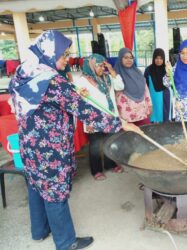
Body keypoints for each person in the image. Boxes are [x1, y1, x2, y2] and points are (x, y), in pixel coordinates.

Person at [8, 30, 140, 250]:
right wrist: (120, 124)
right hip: (50, 146)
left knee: (36, 185)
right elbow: (84, 110)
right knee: (54, 191)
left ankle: (39, 231)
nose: (67, 59)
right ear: (49, 52)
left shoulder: (25, 71)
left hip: (29, 144)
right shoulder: (50, 81)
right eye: (63, 54)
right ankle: (66, 242)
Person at [75, 53, 125, 180]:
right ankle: (96, 170)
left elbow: (120, 86)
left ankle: (110, 164)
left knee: (110, 141)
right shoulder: (83, 80)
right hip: (94, 118)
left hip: (110, 116)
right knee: (95, 145)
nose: (103, 68)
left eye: (104, 65)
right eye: (99, 66)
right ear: (91, 66)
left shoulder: (108, 78)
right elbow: (77, 98)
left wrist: (112, 71)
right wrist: (81, 94)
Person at [113, 48, 152, 126]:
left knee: (144, 133)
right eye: (126, 57)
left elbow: (146, 90)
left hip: (141, 112)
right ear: (120, 58)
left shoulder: (138, 72)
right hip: (125, 115)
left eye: (131, 58)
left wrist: (150, 105)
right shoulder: (115, 74)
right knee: (128, 136)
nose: (129, 60)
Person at [144, 48, 171, 123]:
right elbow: (145, 85)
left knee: (164, 117)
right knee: (153, 117)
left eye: (161, 58)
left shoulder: (167, 69)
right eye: (156, 58)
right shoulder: (148, 70)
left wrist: (169, 72)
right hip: (152, 97)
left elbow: (171, 83)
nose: (158, 60)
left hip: (164, 96)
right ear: (153, 58)